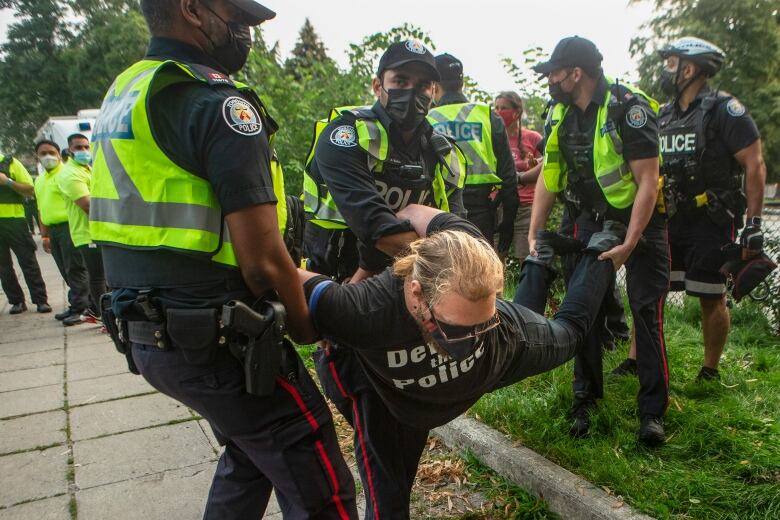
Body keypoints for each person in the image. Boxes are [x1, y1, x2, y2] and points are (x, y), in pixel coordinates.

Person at [89, 1, 356, 518]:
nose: (246, 32)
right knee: (315, 472)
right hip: (219, 344)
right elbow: (261, 262)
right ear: (192, 9)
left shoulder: (129, 90)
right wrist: (309, 328)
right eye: (236, 18)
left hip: (151, 337)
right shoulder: (215, 103)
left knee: (249, 453)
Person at [304, 204, 623, 519]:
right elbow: (269, 273)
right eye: (454, 330)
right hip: (402, 402)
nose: (469, 343)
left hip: (502, 355)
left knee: (571, 333)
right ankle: (541, 263)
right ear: (417, 293)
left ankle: (598, 252)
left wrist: (488, 322)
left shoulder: (468, 246)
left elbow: (414, 209)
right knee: (388, 505)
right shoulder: (363, 310)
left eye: (480, 326)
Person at [526, 36, 670, 445]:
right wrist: (537, 233)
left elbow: (647, 183)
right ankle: (584, 400)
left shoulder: (630, 108)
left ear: (575, 74)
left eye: (555, 72)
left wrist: (629, 243)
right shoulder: (560, 114)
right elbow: (549, 177)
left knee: (646, 310)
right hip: (588, 221)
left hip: (643, 222)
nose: (550, 79)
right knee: (582, 307)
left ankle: (652, 412)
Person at [612, 37, 767, 381]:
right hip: (667, 219)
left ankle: (709, 369)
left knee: (711, 296)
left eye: (671, 63)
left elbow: (754, 164)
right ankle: (636, 359)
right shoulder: (662, 115)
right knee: (651, 293)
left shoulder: (725, 110)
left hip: (710, 221)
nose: (665, 70)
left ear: (690, 68)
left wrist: (754, 223)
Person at [303, 39, 466, 282]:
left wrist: (453, 255)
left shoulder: (443, 153)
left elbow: (459, 231)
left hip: (414, 285)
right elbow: (378, 229)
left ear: (433, 92)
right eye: (400, 81)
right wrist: (446, 256)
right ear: (378, 86)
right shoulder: (346, 136)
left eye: (422, 85)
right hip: (337, 282)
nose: (411, 91)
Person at [428, 54, 518, 255]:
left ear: (434, 85)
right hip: (481, 214)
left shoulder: (426, 118)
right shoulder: (487, 116)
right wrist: (508, 224)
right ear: (461, 82)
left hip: (438, 213)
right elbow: (509, 177)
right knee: (481, 277)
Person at [33, 140, 90, 324]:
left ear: (59, 153)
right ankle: (77, 304)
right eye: (43, 153)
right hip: (53, 230)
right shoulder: (40, 180)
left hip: (68, 227)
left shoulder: (65, 174)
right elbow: (41, 208)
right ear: (37, 157)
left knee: (75, 268)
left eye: (51, 152)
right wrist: (45, 235)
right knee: (65, 270)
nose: (47, 157)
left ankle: (82, 308)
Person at [57, 133, 107, 320]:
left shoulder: (87, 169)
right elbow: (88, 205)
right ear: (69, 150)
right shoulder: (70, 174)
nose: (84, 151)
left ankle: (101, 311)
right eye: (78, 148)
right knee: (98, 278)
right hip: (88, 233)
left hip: (98, 230)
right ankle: (105, 317)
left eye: (86, 147)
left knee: (104, 277)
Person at [493, 91, 542, 259]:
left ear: (517, 112)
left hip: (526, 206)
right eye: (496, 108)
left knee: (527, 255)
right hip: (499, 205)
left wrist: (532, 166)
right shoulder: (491, 136)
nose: (499, 112)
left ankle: (525, 286)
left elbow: (549, 161)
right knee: (496, 256)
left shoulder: (533, 138)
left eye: (504, 108)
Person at [0, 152, 50, 314]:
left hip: (15, 221)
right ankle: (16, 301)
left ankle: (40, 300)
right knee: (3, 267)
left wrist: (7, 181)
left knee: (28, 262)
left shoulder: (10, 163)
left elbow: (29, 189)